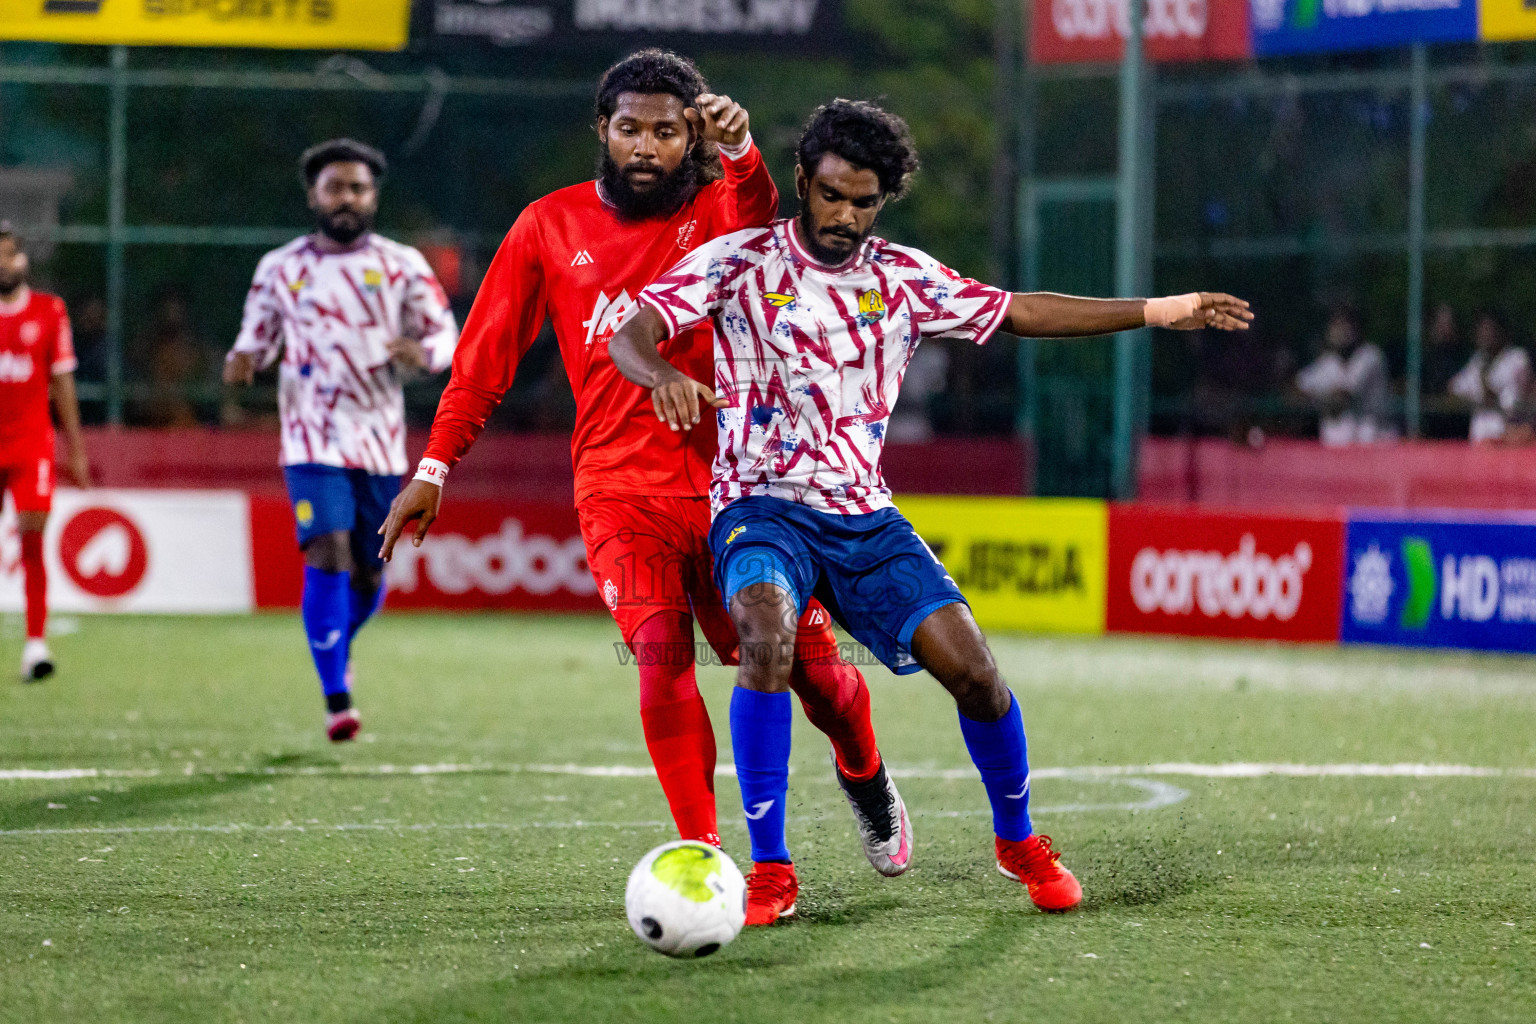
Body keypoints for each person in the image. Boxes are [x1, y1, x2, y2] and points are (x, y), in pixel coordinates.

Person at [608, 98, 1252, 920]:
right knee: (763, 642)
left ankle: (1017, 840)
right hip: (760, 506)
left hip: (864, 518)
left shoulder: (905, 279)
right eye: (831, 194)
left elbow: (1020, 311)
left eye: (863, 201)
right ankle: (769, 870)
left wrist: (1165, 309)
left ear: (884, 200)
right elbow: (631, 332)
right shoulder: (739, 261)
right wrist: (659, 373)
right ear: (803, 181)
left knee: (977, 675)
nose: (844, 215)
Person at [378, 52, 907, 890]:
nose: (648, 147)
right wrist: (435, 468)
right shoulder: (545, 227)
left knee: (818, 677)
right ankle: (708, 857)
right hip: (619, 491)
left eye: (668, 130)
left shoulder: (718, 215)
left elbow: (764, 220)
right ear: (604, 130)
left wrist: (739, 152)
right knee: (660, 663)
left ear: (689, 132)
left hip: (746, 488)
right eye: (631, 128)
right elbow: (481, 365)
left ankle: (866, 774)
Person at [223, 139, 458, 741]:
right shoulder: (281, 268)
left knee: (368, 575)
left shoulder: (403, 263)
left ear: (373, 196)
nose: (347, 198)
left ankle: (335, 646)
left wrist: (421, 353)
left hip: (378, 443)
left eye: (357, 188)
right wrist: (244, 358)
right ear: (314, 196)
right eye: (335, 188)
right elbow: (256, 336)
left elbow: (446, 340)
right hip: (309, 439)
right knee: (326, 553)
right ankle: (337, 697)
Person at [0, 223, 90, 681]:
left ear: (23, 259)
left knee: (33, 540)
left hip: (30, 444)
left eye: (10, 253)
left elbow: (62, 381)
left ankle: (35, 645)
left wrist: (74, 447)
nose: (5, 262)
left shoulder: (49, 311)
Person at [1294, 304, 1394, 444]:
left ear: (1357, 328)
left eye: (1345, 325)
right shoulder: (1328, 362)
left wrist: (1315, 397)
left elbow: (1344, 397)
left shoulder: (1370, 356)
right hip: (1337, 446)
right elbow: (1296, 389)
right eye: (1335, 326)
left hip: (1374, 442)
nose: (1340, 332)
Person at [1448, 309, 1533, 443]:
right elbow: (1454, 389)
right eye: (1482, 330)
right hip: (1479, 436)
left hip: (1508, 436)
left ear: (1501, 331)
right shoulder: (1477, 360)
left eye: (1489, 330)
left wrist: (1485, 385)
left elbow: (1512, 400)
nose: (1484, 335)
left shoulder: (1517, 358)